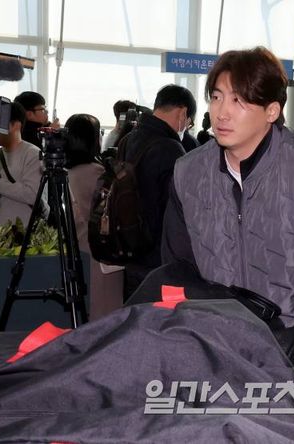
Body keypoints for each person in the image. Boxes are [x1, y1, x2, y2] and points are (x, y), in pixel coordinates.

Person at [161, 47, 294, 417]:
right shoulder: (188, 173)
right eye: (217, 97)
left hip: (293, 351)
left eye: (238, 100)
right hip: (212, 352)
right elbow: (177, 267)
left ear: (272, 110)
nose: (222, 112)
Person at [120, 84, 196, 298]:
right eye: (189, 122)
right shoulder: (170, 148)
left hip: (130, 245)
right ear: (183, 113)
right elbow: (177, 209)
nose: (187, 127)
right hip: (158, 258)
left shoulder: (128, 139)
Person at [65, 113, 124, 320]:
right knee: (106, 314)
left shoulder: (63, 173)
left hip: (75, 252)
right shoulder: (98, 173)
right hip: (101, 255)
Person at [0, 101, 48, 227]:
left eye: (0, 123)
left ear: (16, 125)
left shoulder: (33, 154)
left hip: (26, 232)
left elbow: (33, 195)